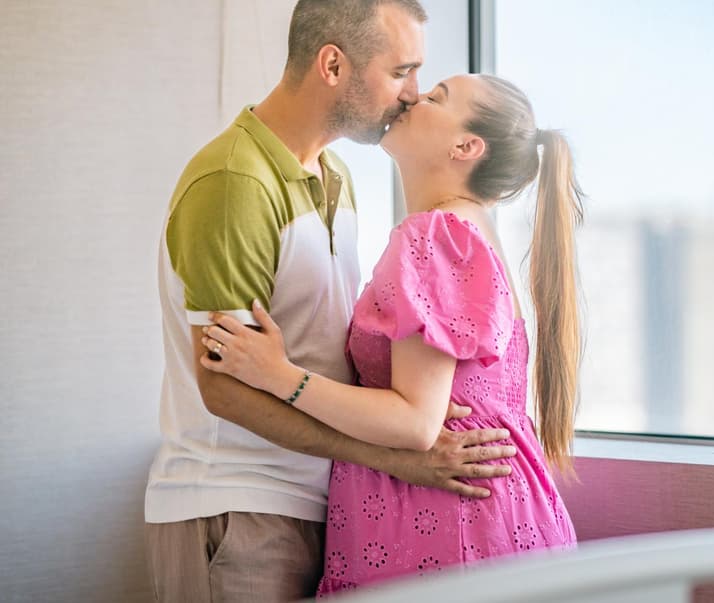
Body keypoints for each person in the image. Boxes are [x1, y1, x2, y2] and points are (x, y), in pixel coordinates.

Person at [144, 2, 517, 602]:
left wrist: (416, 412)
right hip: (238, 506)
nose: (413, 96)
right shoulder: (234, 185)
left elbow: (323, 353)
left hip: (323, 502)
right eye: (401, 72)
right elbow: (223, 386)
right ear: (333, 64)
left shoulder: (336, 175)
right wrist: (396, 456)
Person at [199, 72, 584, 594]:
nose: (412, 96)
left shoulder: (436, 235)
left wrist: (278, 374)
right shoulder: (468, 233)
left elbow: (415, 424)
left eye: (436, 98)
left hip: (451, 531)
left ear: (466, 146)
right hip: (486, 522)